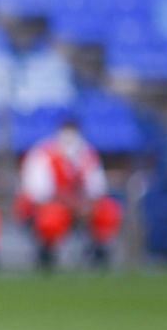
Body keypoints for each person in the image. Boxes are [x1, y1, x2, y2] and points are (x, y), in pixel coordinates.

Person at [16, 115, 123, 269]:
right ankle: (47, 253)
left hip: (82, 208)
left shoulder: (87, 155)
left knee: (108, 209)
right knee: (52, 216)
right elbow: (40, 194)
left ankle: (100, 250)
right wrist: (73, 205)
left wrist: (86, 206)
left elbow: (97, 189)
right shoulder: (43, 154)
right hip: (51, 208)